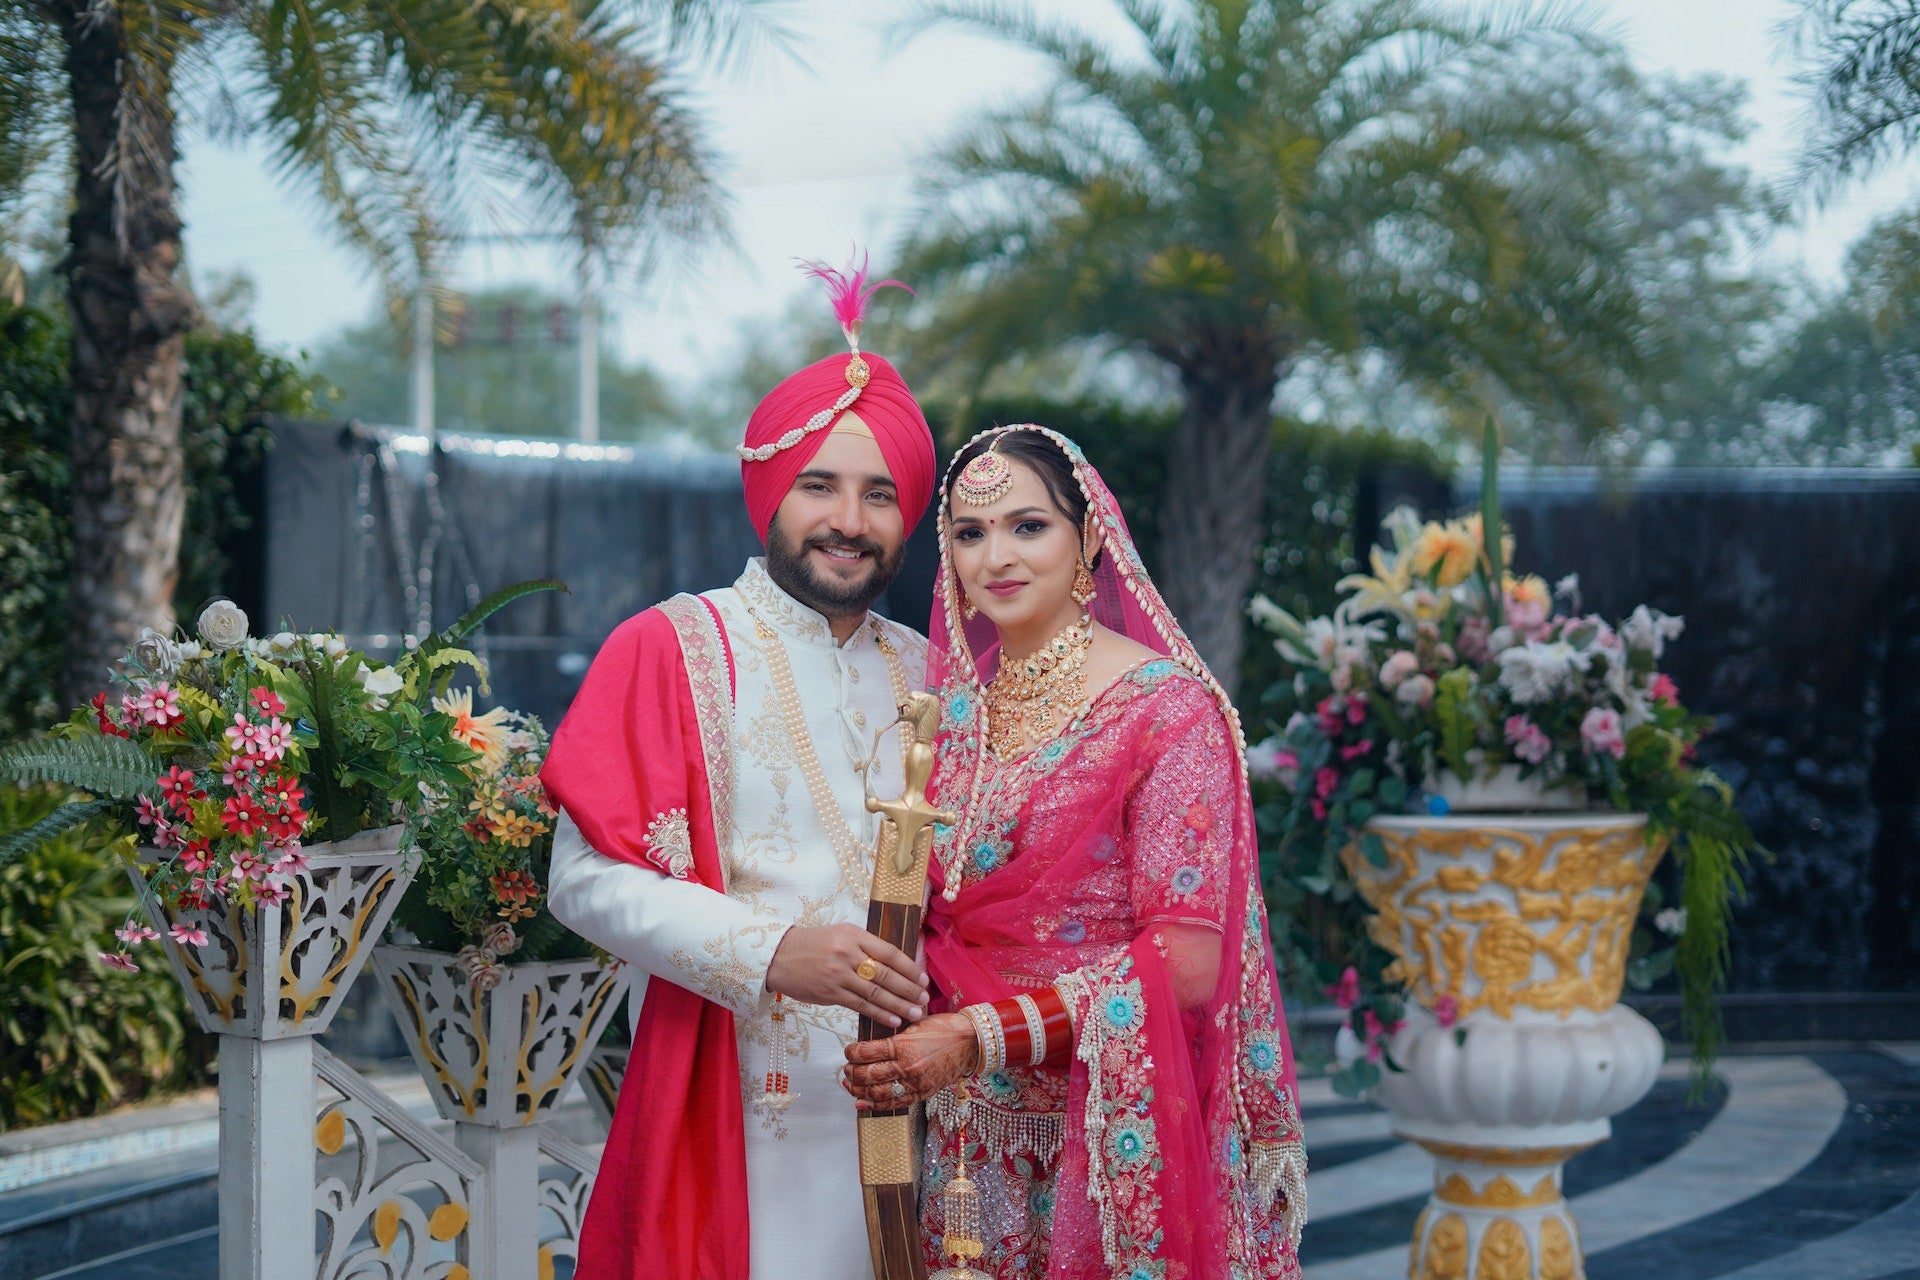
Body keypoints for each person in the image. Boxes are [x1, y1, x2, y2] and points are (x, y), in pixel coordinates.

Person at [540, 260, 937, 1280]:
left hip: (930, 1121)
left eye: (880, 494)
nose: (849, 518)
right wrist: (772, 952)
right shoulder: (672, 645)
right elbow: (580, 878)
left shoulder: (935, 674)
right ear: (771, 490)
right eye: (819, 485)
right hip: (740, 1120)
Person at [842, 426, 1308, 1279]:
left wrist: (979, 1035)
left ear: (1090, 536)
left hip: (1102, 1141)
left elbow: (1190, 960)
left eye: (1029, 526)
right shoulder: (949, 718)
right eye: (969, 534)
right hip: (959, 1144)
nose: (996, 558)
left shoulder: (1165, 713)